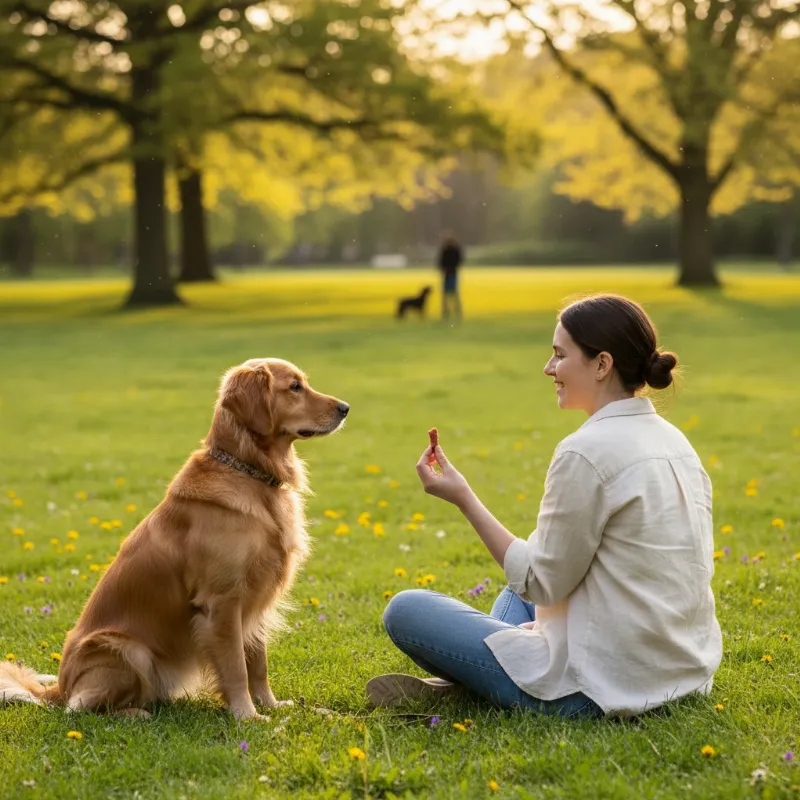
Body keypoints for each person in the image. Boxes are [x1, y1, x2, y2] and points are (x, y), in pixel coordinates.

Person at [366, 294, 722, 718]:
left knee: (406, 609)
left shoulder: (586, 451)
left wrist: (463, 497)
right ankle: (474, 680)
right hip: (678, 671)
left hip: (600, 688)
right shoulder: (676, 442)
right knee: (512, 595)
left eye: (559, 355)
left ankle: (474, 684)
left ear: (602, 364)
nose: (548, 368)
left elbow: (541, 582)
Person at [437, 233, 463, 321]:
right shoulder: (451, 250)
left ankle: (452, 312)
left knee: (451, 294)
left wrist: (445, 269)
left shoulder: (449, 250)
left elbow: (441, 261)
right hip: (450, 274)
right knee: (450, 295)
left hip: (450, 274)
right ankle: (450, 312)